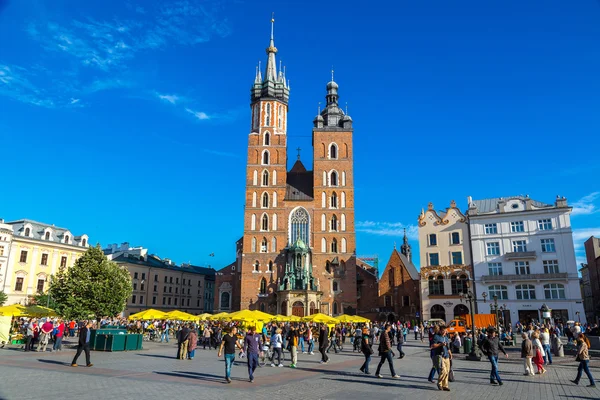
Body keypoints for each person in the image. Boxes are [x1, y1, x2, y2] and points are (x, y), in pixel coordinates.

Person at [431, 325, 451, 392]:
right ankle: (439, 383)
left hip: (446, 356)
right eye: (443, 330)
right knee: (443, 371)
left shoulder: (446, 337)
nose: (445, 332)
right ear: (440, 330)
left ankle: (445, 385)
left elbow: (448, 347)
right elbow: (432, 346)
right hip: (440, 355)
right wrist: (440, 344)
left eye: (445, 330)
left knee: (447, 371)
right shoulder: (437, 337)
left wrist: (450, 353)